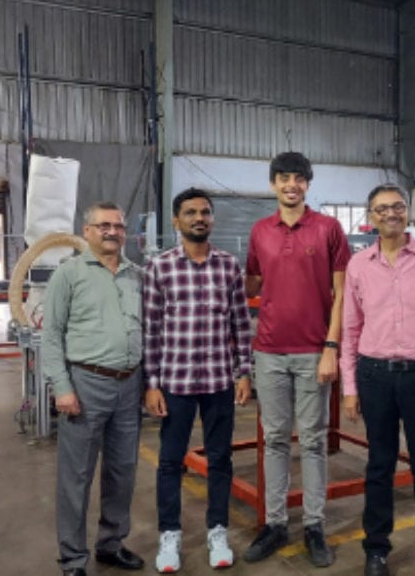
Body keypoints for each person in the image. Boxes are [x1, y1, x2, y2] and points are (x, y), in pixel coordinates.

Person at [340, 184, 415, 576]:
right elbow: (350, 329)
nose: (390, 214)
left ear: (407, 212)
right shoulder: (360, 265)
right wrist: (350, 387)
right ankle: (376, 550)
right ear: (371, 217)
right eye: (381, 209)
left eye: (396, 207)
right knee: (379, 465)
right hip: (375, 375)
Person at [242, 151, 351, 567]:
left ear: (308, 184)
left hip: (312, 352)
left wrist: (331, 347)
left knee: (313, 441)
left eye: (299, 179)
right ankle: (273, 524)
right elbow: (253, 278)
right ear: (273, 184)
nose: (291, 185)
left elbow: (341, 293)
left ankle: (314, 525)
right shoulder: (259, 231)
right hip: (268, 352)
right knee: (273, 440)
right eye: (284, 178)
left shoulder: (328, 229)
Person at [143, 188, 254, 573]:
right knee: (171, 462)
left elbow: (241, 323)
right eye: (190, 213)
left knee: (220, 459)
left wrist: (244, 372)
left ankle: (217, 531)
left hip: (219, 381)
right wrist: (152, 383)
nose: (198, 218)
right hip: (175, 382)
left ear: (212, 219)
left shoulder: (228, 266)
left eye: (205, 212)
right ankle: (169, 535)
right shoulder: (160, 267)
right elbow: (151, 330)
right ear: (176, 221)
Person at [41, 202, 146, 576]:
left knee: (123, 471)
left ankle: (110, 544)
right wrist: (62, 386)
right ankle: (72, 559)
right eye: (103, 225)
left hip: (129, 385)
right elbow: (50, 336)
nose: (112, 232)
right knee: (77, 476)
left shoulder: (136, 276)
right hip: (85, 385)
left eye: (118, 225)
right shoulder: (68, 275)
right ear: (86, 231)